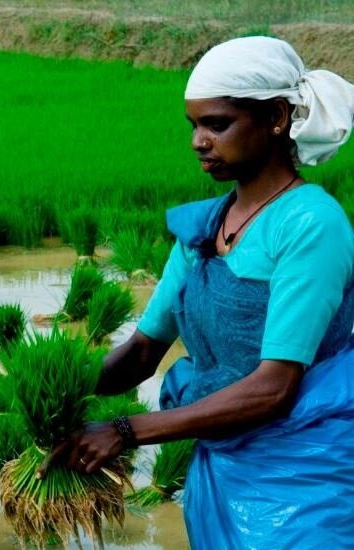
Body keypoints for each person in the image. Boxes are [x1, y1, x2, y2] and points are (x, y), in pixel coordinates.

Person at [53, 36, 354, 548]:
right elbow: (144, 351)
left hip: (303, 474)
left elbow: (274, 387)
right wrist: (56, 391)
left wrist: (125, 430)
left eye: (217, 124)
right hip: (222, 466)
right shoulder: (205, 229)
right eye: (194, 125)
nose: (198, 141)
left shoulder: (311, 225)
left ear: (278, 117)